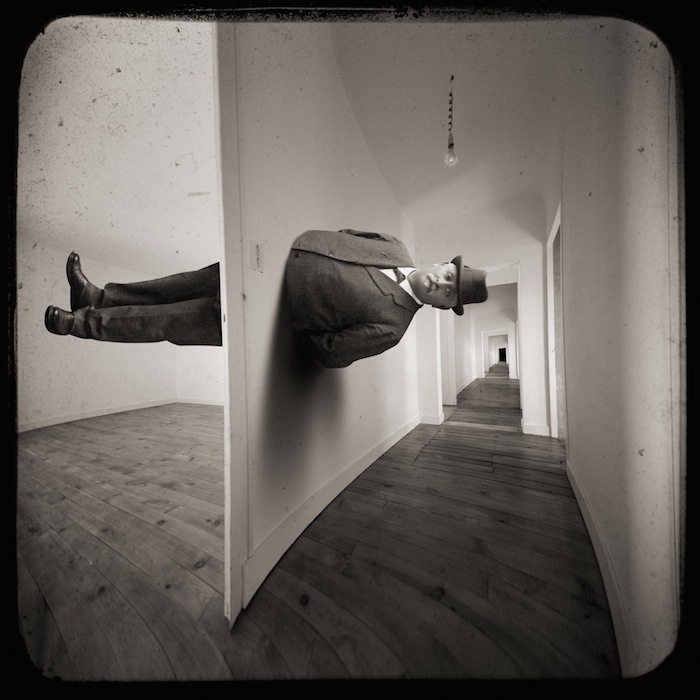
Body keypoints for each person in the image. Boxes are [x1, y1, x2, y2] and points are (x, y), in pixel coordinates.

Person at [44, 228, 488, 367]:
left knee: (164, 320)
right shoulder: (394, 246)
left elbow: (330, 353)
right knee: (173, 286)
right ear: (442, 263)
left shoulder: (393, 328)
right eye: (449, 274)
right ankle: (96, 296)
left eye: (449, 292)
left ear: (443, 306)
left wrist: (289, 316)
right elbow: (343, 236)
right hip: (259, 266)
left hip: (257, 314)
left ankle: (80, 325)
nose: (442, 282)